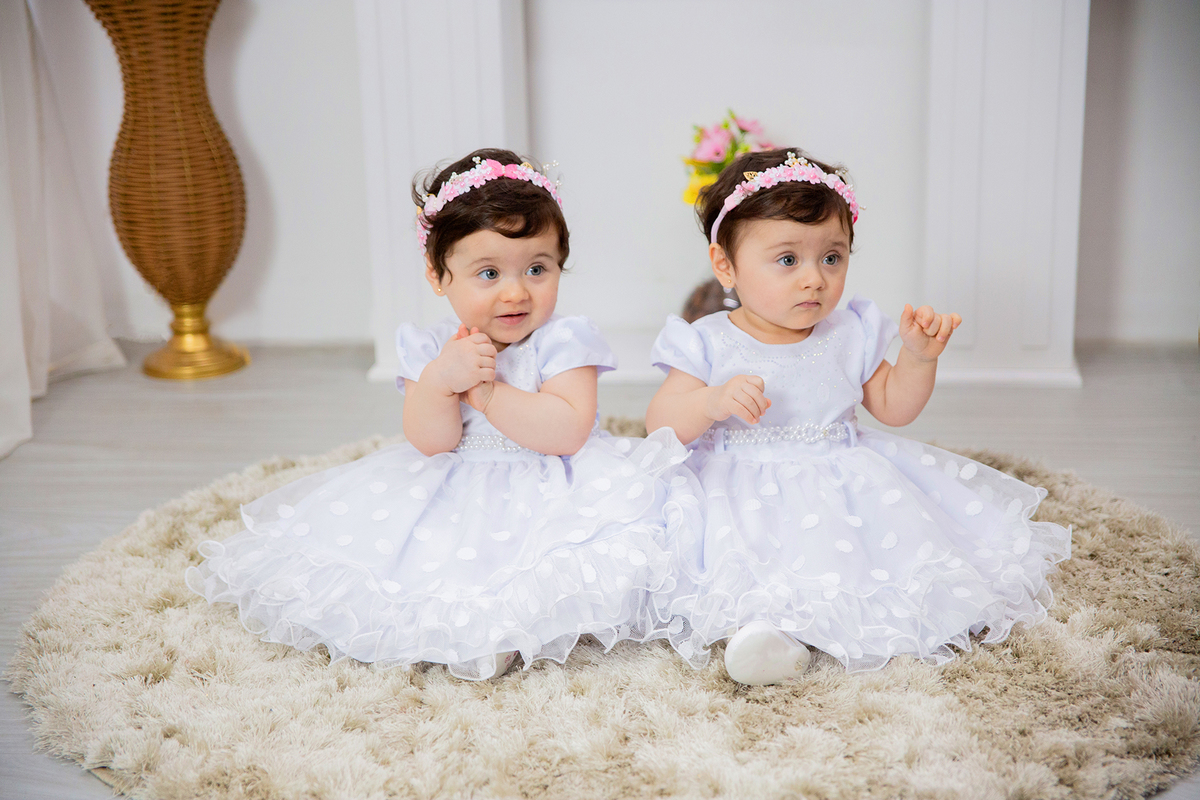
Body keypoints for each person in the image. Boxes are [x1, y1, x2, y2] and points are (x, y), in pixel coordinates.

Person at [187, 148, 699, 680]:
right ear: (438, 275)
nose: (516, 290)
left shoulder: (563, 340)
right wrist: (438, 382)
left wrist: (488, 394)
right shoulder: (433, 346)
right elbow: (430, 442)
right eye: (488, 272)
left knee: (558, 555)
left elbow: (568, 431)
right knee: (443, 558)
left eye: (537, 269)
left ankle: (526, 625)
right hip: (458, 481)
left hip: (555, 482)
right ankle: (475, 633)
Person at [646, 149, 1071, 685]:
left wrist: (916, 358)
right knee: (744, 556)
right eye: (787, 260)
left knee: (855, 558)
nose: (814, 280)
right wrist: (709, 402)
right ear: (725, 265)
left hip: (838, 476)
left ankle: (826, 625)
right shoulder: (705, 340)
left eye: (832, 258)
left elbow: (894, 407)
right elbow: (660, 423)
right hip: (735, 485)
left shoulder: (850, 331)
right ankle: (762, 631)